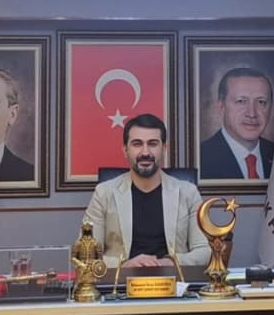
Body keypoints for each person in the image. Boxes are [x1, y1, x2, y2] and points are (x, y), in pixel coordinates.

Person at [81, 113, 208, 269]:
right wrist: (125, 265)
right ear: (125, 150)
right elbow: (85, 255)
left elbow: (204, 251)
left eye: (153, 144)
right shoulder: (104, 193)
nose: (145, 152)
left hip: (173, 279)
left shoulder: (188, 193)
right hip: (122, 281)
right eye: (137, 144)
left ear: (164, 148)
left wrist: (170, 262)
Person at [197, 67, 274, 180]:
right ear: (221, 107)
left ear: (271, 107)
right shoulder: (200, 159)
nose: (252, 113)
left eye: (261, 102)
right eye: (241, 101)